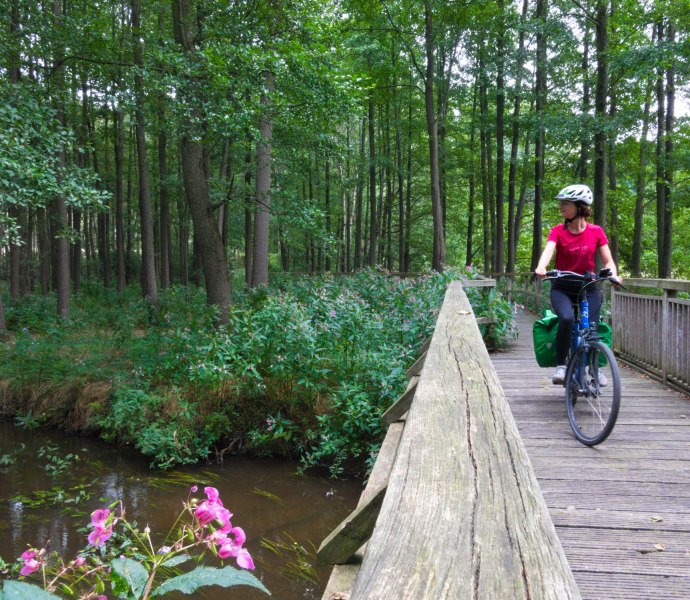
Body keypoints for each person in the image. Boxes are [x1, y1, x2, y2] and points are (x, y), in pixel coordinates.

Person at [534, 184, 622, 384]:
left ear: (579, 207)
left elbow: (608, 261)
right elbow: (549, 250)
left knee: (591, 326)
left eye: (565, 204)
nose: (561, 207)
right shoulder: (558, 231)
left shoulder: (596, 231)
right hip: (562, 287)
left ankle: (595, 368)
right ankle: (561, 366)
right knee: (566, 319)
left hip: (587, 287)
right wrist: (541, 267)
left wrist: (614, 275)